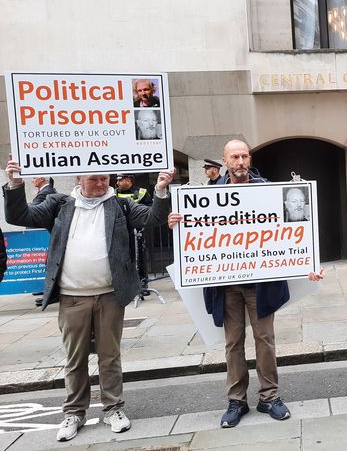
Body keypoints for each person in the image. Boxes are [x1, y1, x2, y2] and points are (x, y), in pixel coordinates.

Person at [2, 157, 174, 442]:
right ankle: (74, 412)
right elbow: (20, 217)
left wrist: (161, 190)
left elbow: (153, 218)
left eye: (104, 178)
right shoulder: (59, 204)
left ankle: (114, 409)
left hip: (110, 295)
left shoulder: (120, 204)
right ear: (78, 180)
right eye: (93, 178)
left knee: (109, 356)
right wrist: (15, 183)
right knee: (75, 358)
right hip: (72, 298)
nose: (101, 182)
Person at [168, 139, 323, 429]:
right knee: (233, 343)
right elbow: (193, 235)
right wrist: (176, 221)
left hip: (261, 284)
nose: (239, 162)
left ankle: (269, 397)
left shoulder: (268, 189)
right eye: (234, 157)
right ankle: (236, 400)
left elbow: (293, 233)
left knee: (265, 340)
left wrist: (308, 266)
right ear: (224, 162)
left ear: (249, 159)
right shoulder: (208, 195)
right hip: (227, 285)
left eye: (244, 156)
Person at [116, 174, 153, 287]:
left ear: (129, 180)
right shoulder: (113, 193)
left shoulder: (141, 192)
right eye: (118, 181)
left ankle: (143, 283)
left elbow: (150, 208)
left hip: (138, 229)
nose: (118, 183)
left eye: (121, 180)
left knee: (140, 255)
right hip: (120, 230)